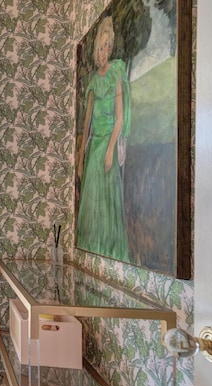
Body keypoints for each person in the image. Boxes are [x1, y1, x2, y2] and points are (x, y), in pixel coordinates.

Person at [76, 16, 131, 262]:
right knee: (91, 205)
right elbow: (86, 125)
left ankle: (109, 253)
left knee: (108, 206)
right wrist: (79, 158)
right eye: (100, 47)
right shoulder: (93, 82)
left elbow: (120, 118)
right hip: (94, 148)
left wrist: (110, 149)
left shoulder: (116, 73)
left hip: (106, 147)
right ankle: (92, 252)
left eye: (108, 46)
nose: (104, 52)